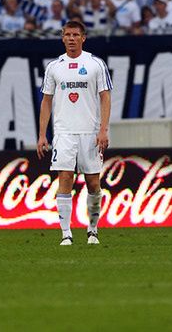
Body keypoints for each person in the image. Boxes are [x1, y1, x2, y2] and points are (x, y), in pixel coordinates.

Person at [37, 20, 112, 246]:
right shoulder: (54, 67)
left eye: (75, 35)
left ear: (83, 38)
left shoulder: (95, 64)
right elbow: (46, 101)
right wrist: (42, 135)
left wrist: (103, 130)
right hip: (64, 132)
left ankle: (92, 230)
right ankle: (66, 233)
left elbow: (105, 97)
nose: (71, 38)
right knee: (65, 178)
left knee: (93, 183)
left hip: (90, 132)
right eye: (67, 35)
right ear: (62, 38)